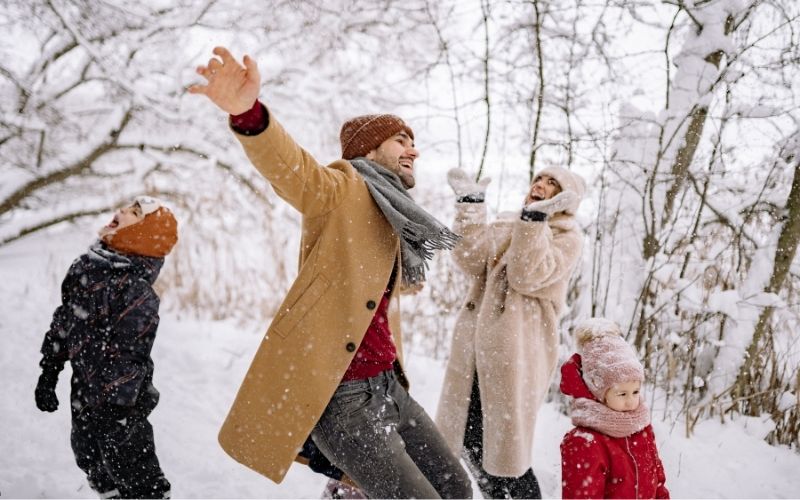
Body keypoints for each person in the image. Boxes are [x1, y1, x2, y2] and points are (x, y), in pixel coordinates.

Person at [188, 46, 472, 499]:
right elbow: (294, 171)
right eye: (401, 140)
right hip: (344, 397)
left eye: (412, 140)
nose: (413, 149)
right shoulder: (343, 188)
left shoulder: (394, 212)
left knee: (456, 487)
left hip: (388, 386)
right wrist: (249, 115)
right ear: (369, 149)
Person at [435, 166, 586, 498]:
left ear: (566, 200)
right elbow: (469, 259)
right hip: (474, 353)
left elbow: (525, 275)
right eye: (539, 179)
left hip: (515, 356)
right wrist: (470, 206)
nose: (541, 186)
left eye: (553, 185)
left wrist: (534, 223)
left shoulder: (566, 237)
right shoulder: (507, 221)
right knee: (467, 440)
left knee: (504, 456)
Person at [34, 196, 178, 499]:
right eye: (126, 207)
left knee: (132, 464)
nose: (122, 211)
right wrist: (50, 368)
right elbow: (66, 318)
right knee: (88, 454)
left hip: (121, 400)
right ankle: (109, 494)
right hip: (85, 387)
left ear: (143, 234)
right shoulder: (86, 268)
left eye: (134, 213)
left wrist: (116, 408)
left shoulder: (136, 291)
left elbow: (129, 354)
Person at [559, 318, 669, 499]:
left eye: (635, 392)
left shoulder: (641, 428)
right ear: (599, 393)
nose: (631, 402)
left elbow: (658, 482)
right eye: (622, 394)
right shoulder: (585, 441)